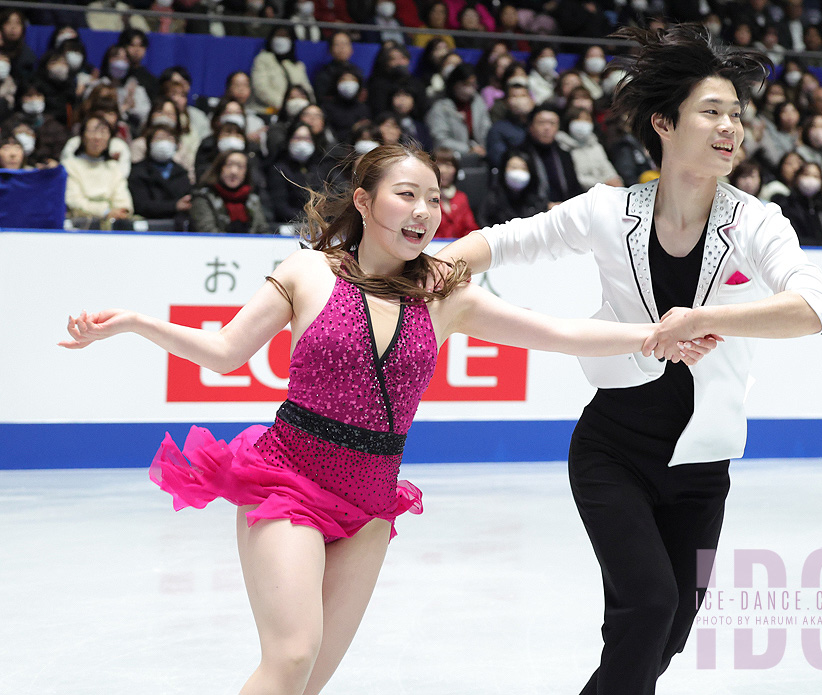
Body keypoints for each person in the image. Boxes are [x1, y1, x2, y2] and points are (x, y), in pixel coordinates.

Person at [60, 142, 718, 695]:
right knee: (290, 655)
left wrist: (653, 335)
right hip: (288, 481)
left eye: (435, 198)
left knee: (308, 678)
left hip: (370, 504)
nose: (425, 211)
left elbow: (557, 332)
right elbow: (225, 354)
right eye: (407, 194)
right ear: (365, 202)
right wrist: (137, 322)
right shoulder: (309, 272)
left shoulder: (446, 292)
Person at [435, 25, 822, 695]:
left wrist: (704, 318)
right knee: (648, 608)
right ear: (663, 122)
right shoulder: (604, 211)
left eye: (737, 114)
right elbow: (500, 244)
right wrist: (424, 271)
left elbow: (815, 308)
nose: (730, 126)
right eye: (712, 111)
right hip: (613, 449)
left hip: (704, 470)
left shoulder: (758, 222)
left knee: (666, 631)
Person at [62, 112, 134, 226]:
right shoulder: (69, 166)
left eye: (103, 132)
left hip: (114, 220)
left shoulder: (113, 167)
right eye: (92, 131)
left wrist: (121, 211)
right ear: (82, 136)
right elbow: (74, 200)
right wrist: (105, 212)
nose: (97, 137)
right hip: (80, 222)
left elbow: (123, 198)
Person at [190, 149, 267, 234]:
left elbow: (263, 231)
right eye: (229, 165)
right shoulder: (203, 197)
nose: (234, 171)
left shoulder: (253, 199)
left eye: (240, 166)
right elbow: (208, 232)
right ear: (219, 168)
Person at [770, 161, 822, 247]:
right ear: (797, 178)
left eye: (816, 176)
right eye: (806, 174)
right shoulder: (786, 204)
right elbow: (790, 237)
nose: (811, 180)